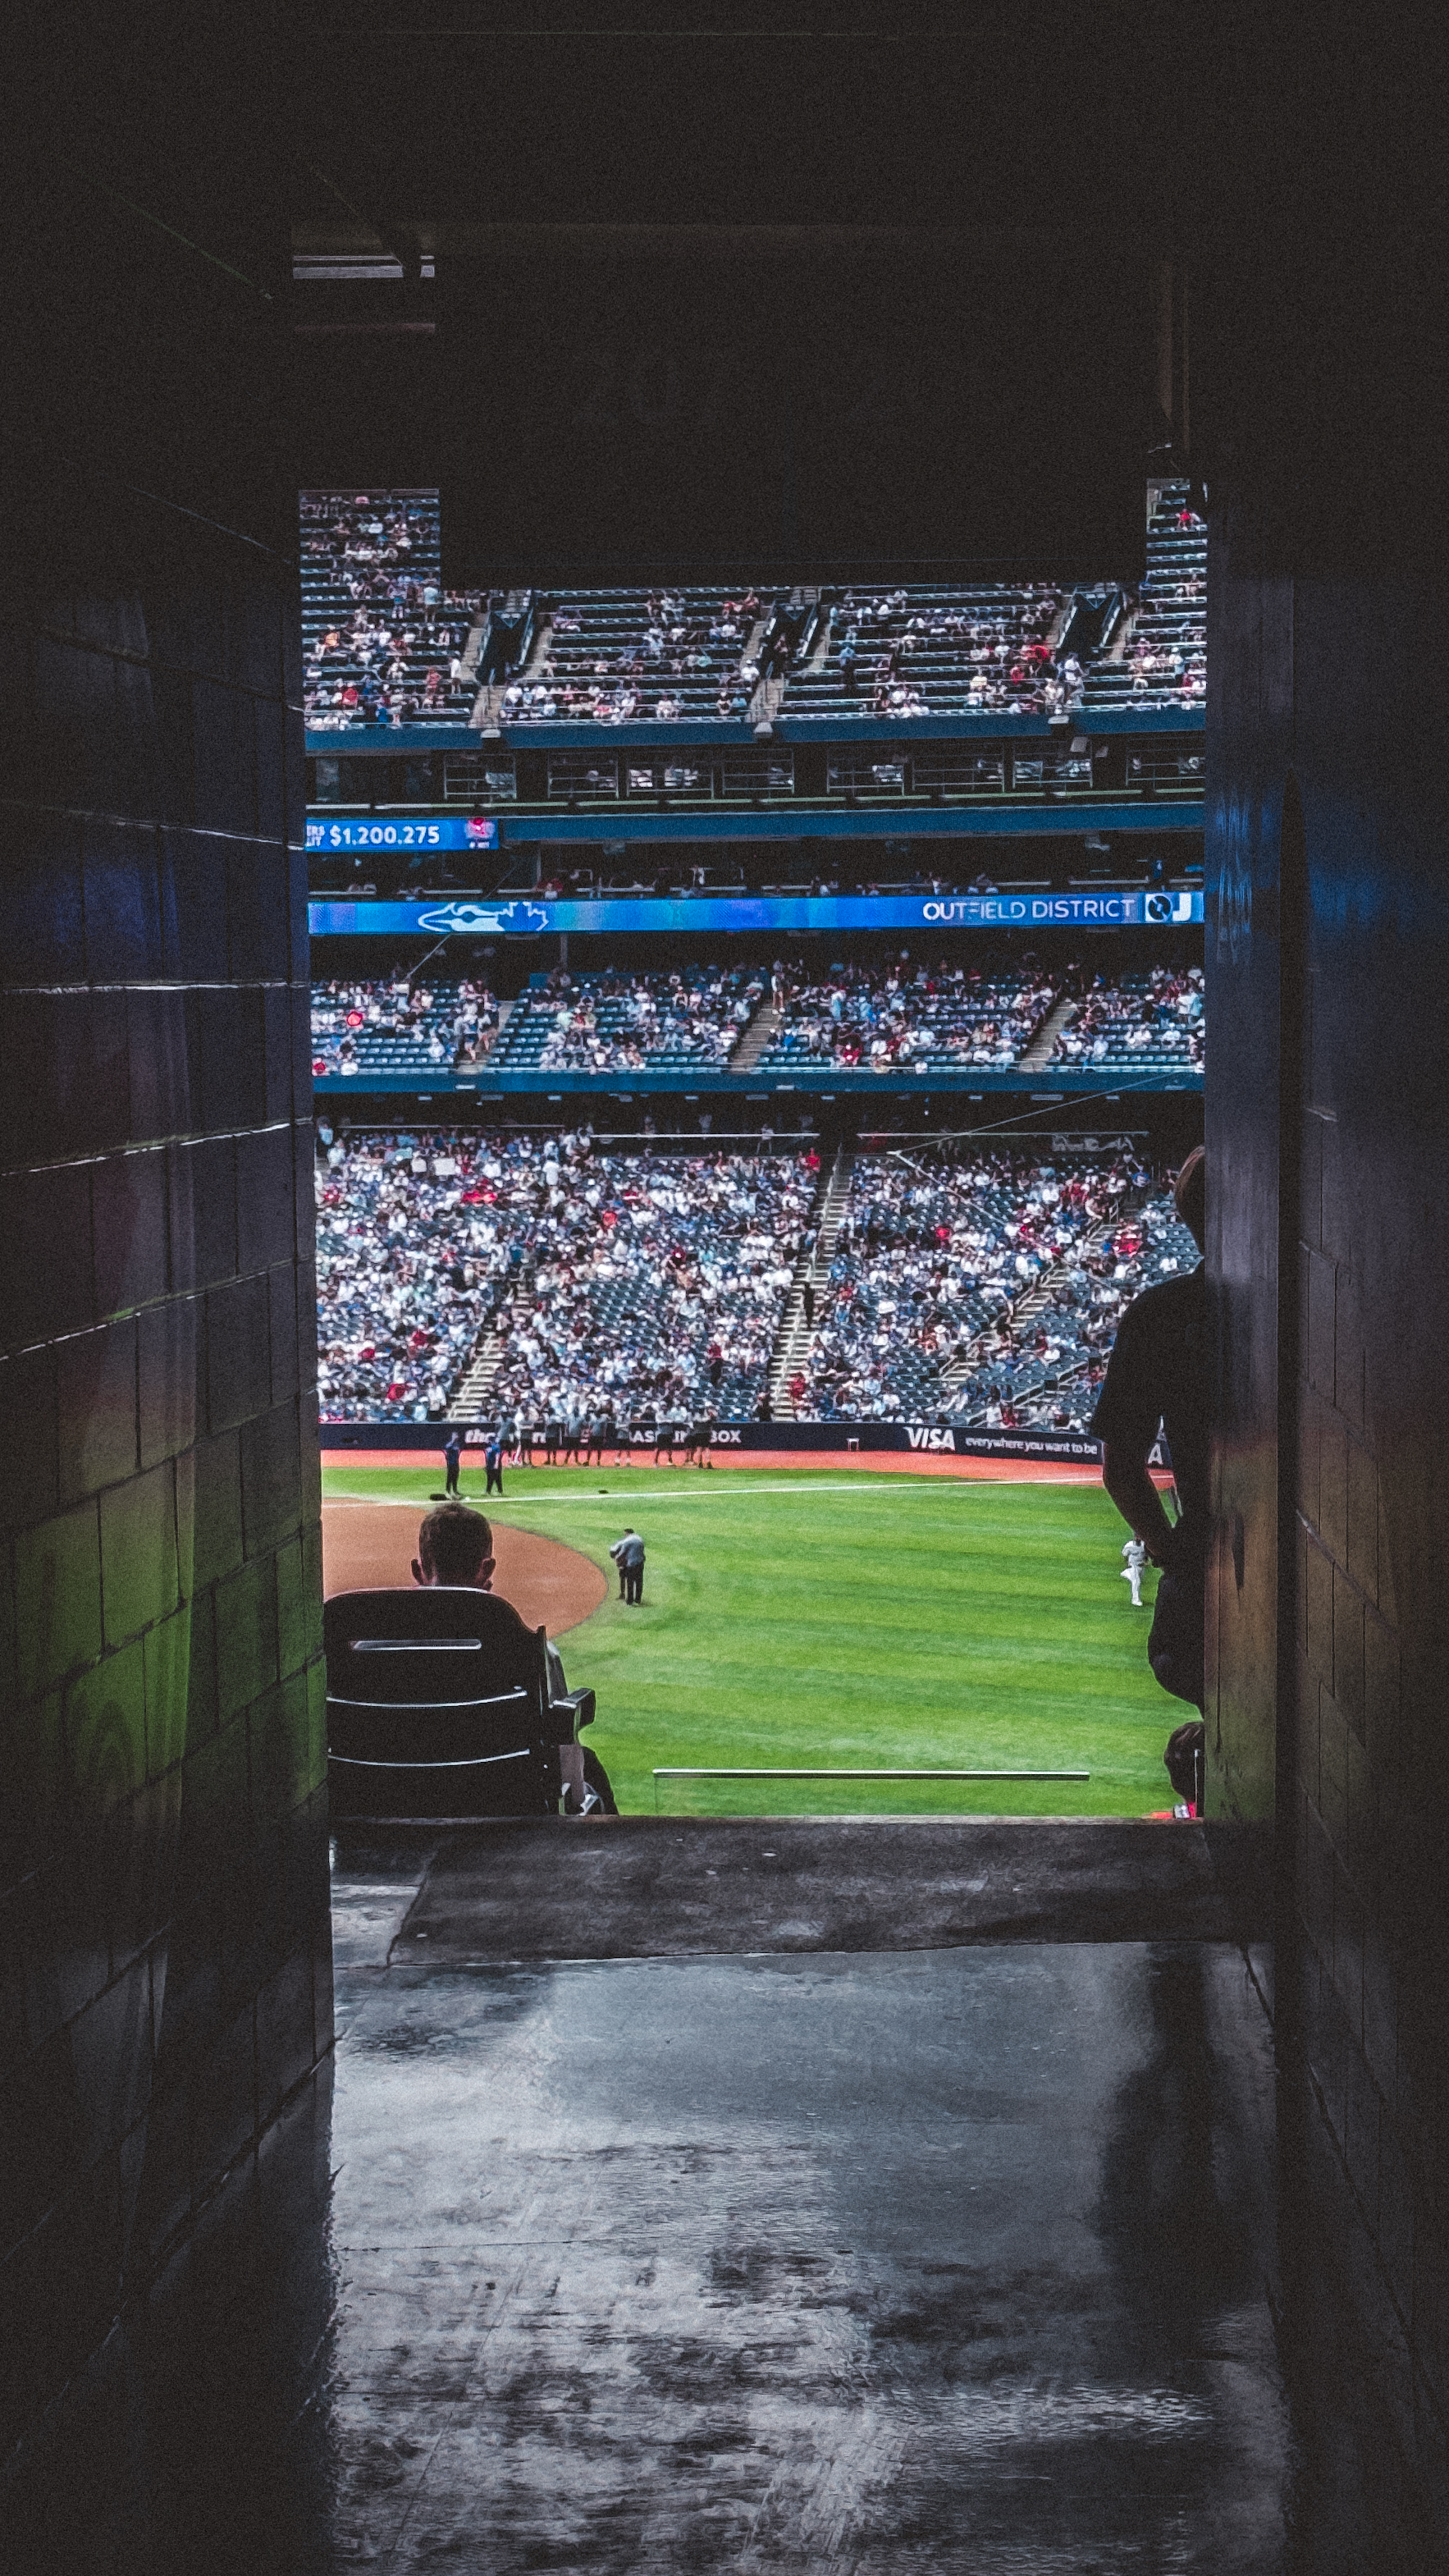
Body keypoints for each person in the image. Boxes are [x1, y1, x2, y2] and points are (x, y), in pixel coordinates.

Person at [1091, 1146, 1208, 1716]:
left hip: (1209, 1556)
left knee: (1177, 1658)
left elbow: (1120, 1469)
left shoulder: (1161, 1313)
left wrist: (1174, 1554)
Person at [409, 1501, 587, 1810]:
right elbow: (567, 1769)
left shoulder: (367, 1649)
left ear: (418, 1570)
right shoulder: (530, 1650)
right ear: (487, 1568)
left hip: (399, 1813)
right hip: (501, 1816)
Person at [617, 1527, 646, 1604]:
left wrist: (617, 1558)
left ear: (627, 1533)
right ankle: (638, 1599)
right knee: (639, 1581)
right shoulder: (640, 1538)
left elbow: (622, 1552)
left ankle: (630, 1600)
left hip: (631, 1564)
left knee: (630, 1582)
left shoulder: (627, 1541)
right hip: (640, 1562)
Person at [1121, 1534, 1148, 1608]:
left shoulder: (1144, 1545)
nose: (1138, 1538)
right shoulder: (1129, 1545)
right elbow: (1125, 1555)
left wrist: (1146, 1561)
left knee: (1138, 1580)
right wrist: (1127, 1563)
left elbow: (1146, 1554)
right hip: (1133, 1566)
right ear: (1134, 1537)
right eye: (1137, 1537)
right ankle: (1135, 1600)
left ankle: (1126, 1573)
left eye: (1139, 1537)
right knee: (1136, 1582)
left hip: (1141, 1566)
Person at [484, 1430, 505, 1497]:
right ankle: (488, 1491)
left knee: (497, 1478)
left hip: (495, 1465)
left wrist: (496, 1464)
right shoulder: (489, 1446)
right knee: (489, 1478)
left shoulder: (496, 1446)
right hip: (489, 1465)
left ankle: (500, 1491)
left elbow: (498, 1455)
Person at [443, 1430, 463, 1496]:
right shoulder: (450, 1444)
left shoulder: (457, 1444)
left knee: (455, 1477)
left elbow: (458, 1452)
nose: (456, 1437)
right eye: (455, 1436)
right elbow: (446, 1450)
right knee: (449, 1478)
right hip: (451, 1463)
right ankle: (448, 1490)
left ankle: (455, 1490)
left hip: (456, 1463)